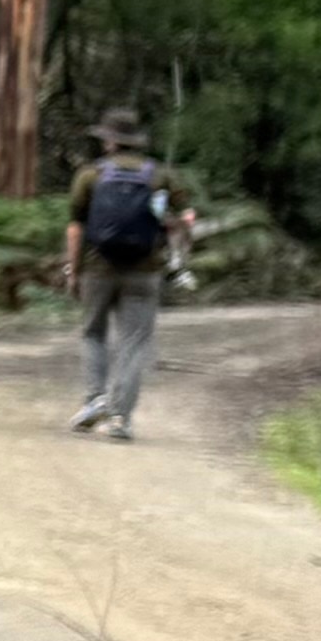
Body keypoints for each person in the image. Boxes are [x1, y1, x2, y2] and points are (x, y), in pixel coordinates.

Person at [63, 108, 196, 442]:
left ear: (109, 141)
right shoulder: (160, 176)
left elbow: (76, 227)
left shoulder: (90, 175)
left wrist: (72, 269)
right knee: (134, 342)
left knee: (93, 333)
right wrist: (179, 253)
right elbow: (187, 219)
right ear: (136, 142)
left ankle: (95, 399)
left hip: (97, 268)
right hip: (145, 270)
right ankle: (120, 417)